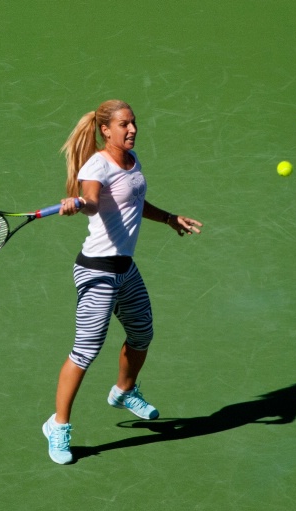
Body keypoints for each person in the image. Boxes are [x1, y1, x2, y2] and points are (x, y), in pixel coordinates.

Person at [41, 99, 202, 465]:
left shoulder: (131, 159)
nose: (132, 130)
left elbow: (133, 202)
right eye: (124, 125)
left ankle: (125, 390)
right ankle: (58, 425)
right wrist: (78, 204)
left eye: (134, 123)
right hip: (97, 271)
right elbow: (95, 201)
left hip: (124, 269)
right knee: (85, 351)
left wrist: (170, 218)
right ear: (106, 130)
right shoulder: (96, 165)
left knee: (142, 333)